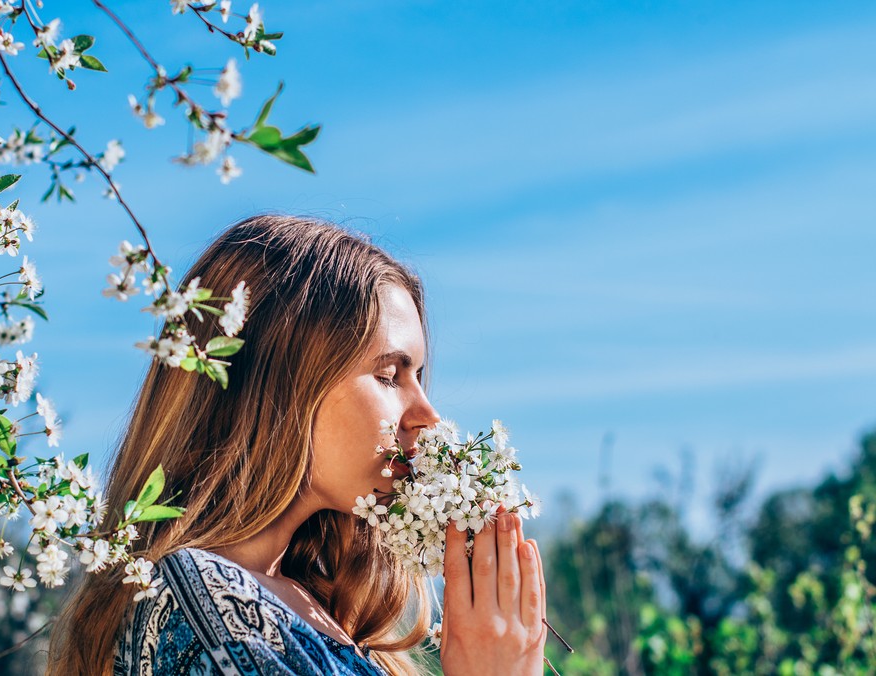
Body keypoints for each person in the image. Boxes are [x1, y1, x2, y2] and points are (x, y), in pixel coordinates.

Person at [48, 215, 547, 675]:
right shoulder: (199, 603)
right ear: (283, 379)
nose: (428, 417)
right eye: (389, 374)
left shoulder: (317, 612)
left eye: (418, 375)